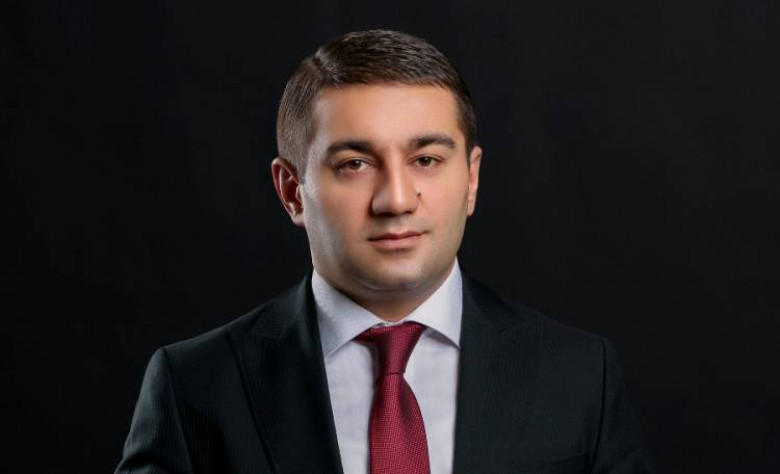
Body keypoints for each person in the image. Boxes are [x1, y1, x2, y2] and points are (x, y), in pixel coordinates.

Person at [116, 29, 653, 474]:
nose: (396, 200)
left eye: (426, 160)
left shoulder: (579, 375)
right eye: (354, 164)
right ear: (291, 191)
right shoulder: (195, 387)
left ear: (471, 179)